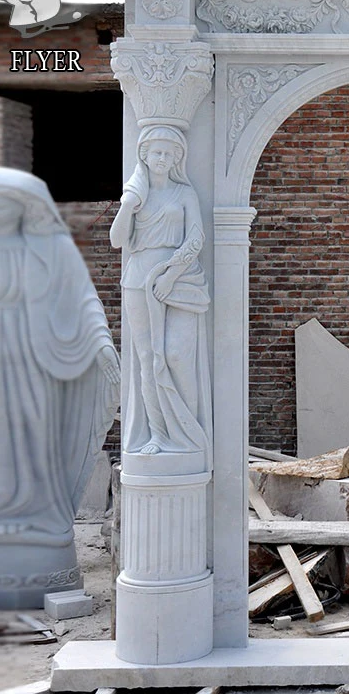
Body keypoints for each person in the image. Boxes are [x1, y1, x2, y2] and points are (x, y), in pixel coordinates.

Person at [0, 167, 119, 540]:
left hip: (33, 364)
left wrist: (102, 345)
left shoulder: (50, 249)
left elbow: (84, 300)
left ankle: (34, 517)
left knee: (33, 440)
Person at [110, 124, 212, 459]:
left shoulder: (184, 194)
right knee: (147, 359)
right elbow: (116, 240)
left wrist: (171, 273)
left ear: (177, 159)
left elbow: (196, 238)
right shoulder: (137, 197)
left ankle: (186, 433)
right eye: (157, 152)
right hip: (138, 279)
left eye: (169, 154)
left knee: (176, 354)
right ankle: (157, 433)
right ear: (145, 154)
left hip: (178, 279)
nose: (162, 158)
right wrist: (128, 203)